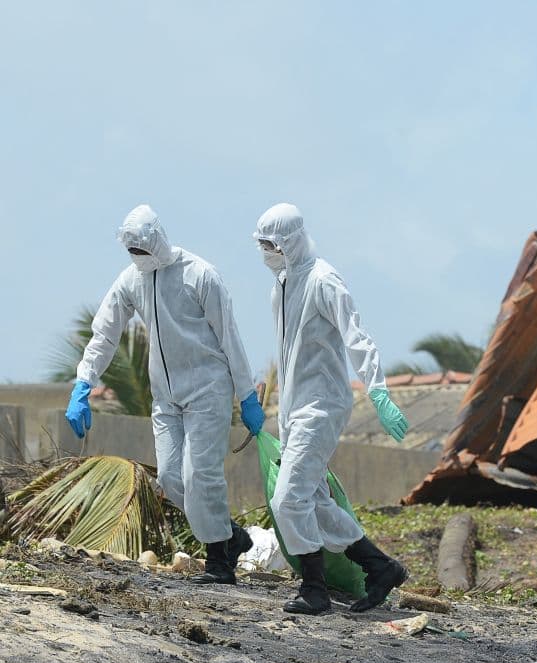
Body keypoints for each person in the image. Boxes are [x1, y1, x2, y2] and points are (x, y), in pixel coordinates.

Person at [65, 204, 265, 585]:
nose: (138, 258)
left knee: (200, 475)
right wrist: (83, 383)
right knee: (173, 479)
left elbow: (230, 338)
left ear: (158, 240)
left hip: (208, 391)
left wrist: (246, 395)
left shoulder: (200, 276)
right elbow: (106, 333)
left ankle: (219, 562)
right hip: (166, 399)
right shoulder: (131, 280)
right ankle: (233, 537)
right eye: (132, 252)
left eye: (143, 250)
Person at [254, 202, 409, 615]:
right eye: (262, 244)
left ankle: (314, 588)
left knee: (289, 500)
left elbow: (358, 336)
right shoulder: (283, 284)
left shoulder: (324, 280)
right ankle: (380, 568)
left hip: (321, 406)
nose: (266, 251)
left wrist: (378, 393)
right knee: (315, 500)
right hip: (293, 407)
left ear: (290, 241)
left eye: (272, 243)